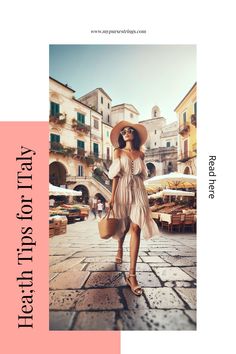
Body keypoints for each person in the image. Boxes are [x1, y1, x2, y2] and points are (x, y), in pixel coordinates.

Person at [108, 120, 159, 296]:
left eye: (130, 131)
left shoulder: (141, 154)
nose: (127, 133)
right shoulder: (118, 152)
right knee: (122, 227)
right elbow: (115, 175)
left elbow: (142, 176)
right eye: (124, 132)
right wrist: (112, 197)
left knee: (136, 227)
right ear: (122, 137)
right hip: (121, 189)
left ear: (134, 135)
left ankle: (132, 275)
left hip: (138, 190)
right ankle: (120, 248)